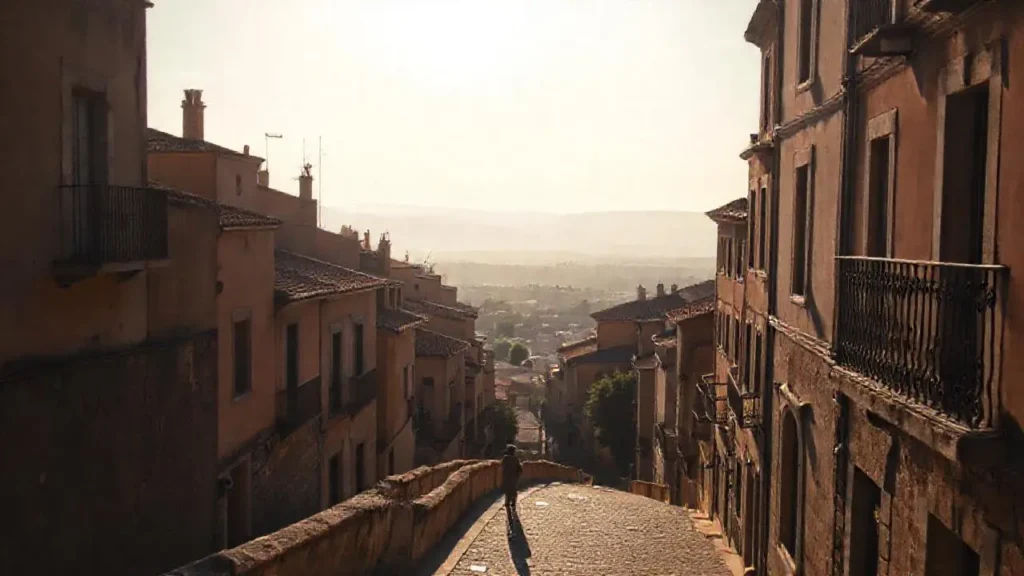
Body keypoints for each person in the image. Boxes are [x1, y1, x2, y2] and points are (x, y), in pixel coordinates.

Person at [501, 444, 523, 516]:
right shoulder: (516, 459)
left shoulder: (505, 458)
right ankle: (513, 503)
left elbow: (502, 465)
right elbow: (520, 469)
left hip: (506, 477)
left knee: (507, 489)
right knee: (513, 490)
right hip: (514, 477)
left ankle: (507, 502)